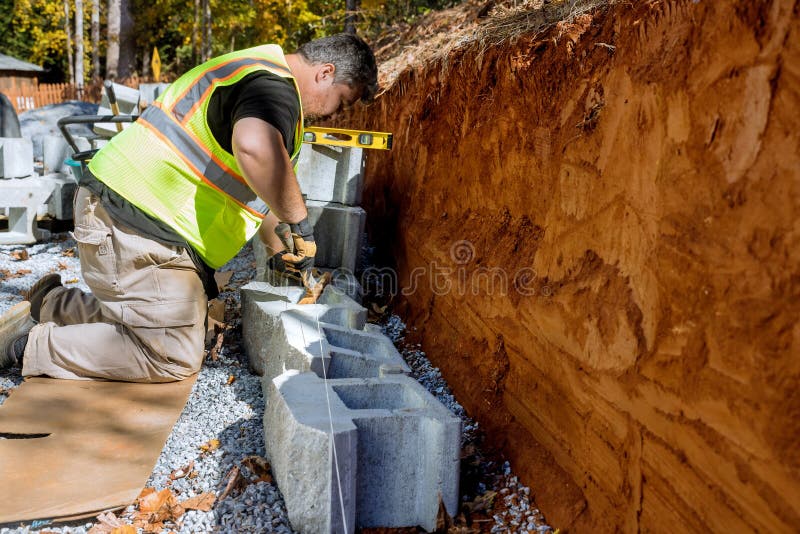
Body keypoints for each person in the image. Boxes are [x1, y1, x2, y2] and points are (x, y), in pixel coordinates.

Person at [0, 33, 378, 382]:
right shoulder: (274, 89)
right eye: (342, 100)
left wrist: (282, 252)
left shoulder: (256, 70)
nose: (334, 114)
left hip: (131, 215)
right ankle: (27, 344)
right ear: (325, 73)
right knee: (173, 354)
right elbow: (255, 148)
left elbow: (260, 191)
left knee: (167, 323)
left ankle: (50, 304)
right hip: (137, 225)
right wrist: (300, 223)